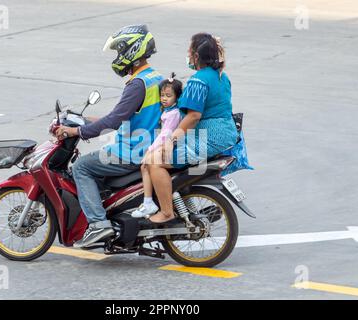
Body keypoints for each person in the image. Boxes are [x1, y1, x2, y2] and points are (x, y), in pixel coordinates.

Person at [55, 24, 163, 247]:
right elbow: (123, 116)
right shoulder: (155, 78)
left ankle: (98, 224)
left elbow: (114, 121)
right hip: (149, 146)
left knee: (81, 167)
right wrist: (86, 120)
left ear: (132, 50)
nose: (118, 56)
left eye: (119, 51)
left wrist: (77, 131)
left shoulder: (137, 84)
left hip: (131, 152)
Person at [145, 33, 239, 223]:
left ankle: (166, 212)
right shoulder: (221, 76)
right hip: (226, 134)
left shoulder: (198, 80)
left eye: (189, 51)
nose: (188, 54)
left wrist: (171, 140)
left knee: (154, 161)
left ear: (196, 56)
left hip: (208, 138)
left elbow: (193, 116)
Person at [131, 73, 183, 218]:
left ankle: (149, 202)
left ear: (177, 97)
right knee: (144, 166)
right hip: (167, 144)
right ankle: (148, 201)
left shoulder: (173, 114)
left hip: (170, 145)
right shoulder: (168, 111)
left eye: (168, 95)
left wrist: (150, 149)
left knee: (147, 163)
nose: (164, 99)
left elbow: (165, 135)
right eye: (162, 95)